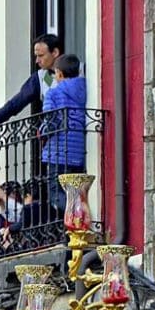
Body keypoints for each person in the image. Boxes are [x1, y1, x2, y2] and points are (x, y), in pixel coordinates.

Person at [0, 34, 62, 131]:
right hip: (53, 140)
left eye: (41, 56)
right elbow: (14, 104)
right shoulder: (42, 77)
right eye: (36, 56)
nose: (37, 61)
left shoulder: (80, 71)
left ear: (55, 52)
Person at [40, 54, 87, 212]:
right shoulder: (86, 89)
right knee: (75, 191)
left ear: (59, 73)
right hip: (79, 152)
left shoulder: (53, 94)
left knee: (56, 194)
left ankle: (77, 215)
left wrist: (41, 131)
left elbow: (51, 123)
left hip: (58, 153)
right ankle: (79, 216)